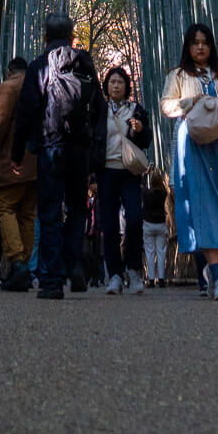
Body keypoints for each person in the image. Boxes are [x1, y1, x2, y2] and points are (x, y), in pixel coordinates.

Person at [11, 11, 104, 301]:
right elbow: (99, 110)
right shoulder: (85, 65)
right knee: (77, 209)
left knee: (50, 212)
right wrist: (94, 153)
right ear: (72, 36)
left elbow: (25, 110)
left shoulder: (40, 65)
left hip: (51, 147)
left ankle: (51, 281)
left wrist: (17, 151)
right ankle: (74, 264)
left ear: (45, 37)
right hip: (80, 150)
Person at [161, 21, 218, 301]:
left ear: (211, 46)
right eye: (195, 42)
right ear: (188, 46)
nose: (200, 47)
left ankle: (214, 269)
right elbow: (166, 105)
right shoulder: (177, 75)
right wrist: (189, 102)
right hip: (194, 142)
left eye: (205, 42)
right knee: (205, 202)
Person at [0, 55, 37, 293]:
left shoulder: (9, 87)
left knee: (5, 206)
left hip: (11, 160)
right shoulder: (40, 85)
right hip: (36, 162)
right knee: (26, 214)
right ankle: (22, 265)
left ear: (8, 71)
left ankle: (17, 263)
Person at [97, 64, 151, 295]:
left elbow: (147, 140)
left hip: (129, 172)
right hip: (106, 171)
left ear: (127, 86)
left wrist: (140, 129)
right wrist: (91, 174)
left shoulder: (136, 109)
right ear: (106, 86)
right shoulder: (99, 110)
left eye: (120, 81)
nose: (116, 85)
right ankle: (115, 274)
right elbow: (92, 140)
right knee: (108, 224)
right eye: (112, 81)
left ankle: (133, 269)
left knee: (135, 218)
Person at [141, 166, 172, 286]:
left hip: (148, 224)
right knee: (161, 252)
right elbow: (164, 188)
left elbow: (141, 185)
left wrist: (145, 174)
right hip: (160, 224)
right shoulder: (163, 193)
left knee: (149, 251)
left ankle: (150, 279)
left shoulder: (146, 193)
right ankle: (162, 279)